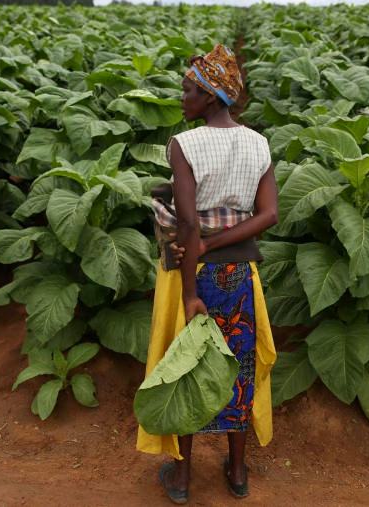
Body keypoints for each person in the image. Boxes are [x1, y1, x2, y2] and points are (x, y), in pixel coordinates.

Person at [135, 43, 279, 504]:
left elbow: (190, 221)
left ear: (212, 96)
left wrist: (192, 284)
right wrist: (221, 245)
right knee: (235, 366)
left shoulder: (185, 144)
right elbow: (269, 214)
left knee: (186, 367)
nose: (181, 98)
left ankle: (180, 478)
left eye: (189, 90)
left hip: (190, 274)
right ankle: (237, 471)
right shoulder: (259, 143)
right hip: (238, 272)